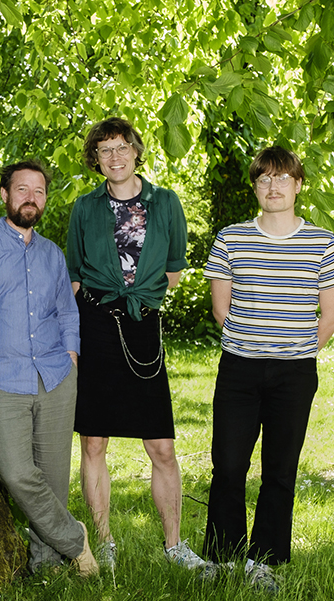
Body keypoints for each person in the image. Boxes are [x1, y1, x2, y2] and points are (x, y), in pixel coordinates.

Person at [201, 146, 334, 591]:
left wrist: (293, 350)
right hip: (239, 370)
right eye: (264, 179)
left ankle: (263, 563)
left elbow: (331, 316)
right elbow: (220, 309)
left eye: (282, 178)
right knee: (228, 464)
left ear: (298, 185)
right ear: (256, 187)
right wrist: (254, 344)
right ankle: (225, 559)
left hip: (294, 374)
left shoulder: (323, 243)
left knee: (280, 470)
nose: (273, 187)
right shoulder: (232, 238)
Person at [0, 160, 98, 577]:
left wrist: (70, 360)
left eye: (39, 191)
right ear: (4, 195)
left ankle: (46, 566)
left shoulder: (52, 254)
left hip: (54, 376)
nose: (31, 198)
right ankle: (75, 540)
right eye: (22, 189)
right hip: (0, 379)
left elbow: (68, 315)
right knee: (16, 474)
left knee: (52, 478)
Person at [66, 117, 203, 570]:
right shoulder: (85, 208)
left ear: (136, 150)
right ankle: (103, 542)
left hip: (143, 325)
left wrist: (137, 301)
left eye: (122, 147)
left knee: (161, 444)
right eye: (105, 150)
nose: (115, 157)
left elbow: (174, 269)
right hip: (97, 326)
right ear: (96, 159)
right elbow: (74, 277)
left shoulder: (165, 203)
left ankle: (173, 546)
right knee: (94, 442)